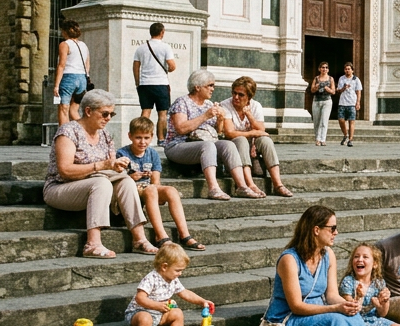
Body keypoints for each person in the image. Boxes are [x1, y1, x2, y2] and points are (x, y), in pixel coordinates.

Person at [43, 89, 152, 258]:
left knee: (126, 182)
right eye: (105, 113)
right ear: (88, 111)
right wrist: (101, 165)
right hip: (60, 188)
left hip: (95, 184)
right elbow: (65, 170)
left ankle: (139, 239)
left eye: (111, 114)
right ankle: (92, 244)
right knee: (101, 183)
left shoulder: (105, 135)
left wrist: (117, 167)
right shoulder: (68, 132)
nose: (108, 118)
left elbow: (110, 166)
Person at [165, 70, 260, 200]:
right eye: (209, 85)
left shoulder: (209, 104)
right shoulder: (182, 102)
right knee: (208, 146)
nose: (212, 89)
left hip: (205, 142)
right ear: (197, 87)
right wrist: (205, 116)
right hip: (178, 145)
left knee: (228, 144)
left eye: (213, 85)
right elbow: (181, 128)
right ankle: (213, 188)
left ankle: (242, 186)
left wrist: (220, 119)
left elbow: (218, 131)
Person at [119, 116, 202, 251]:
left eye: (146, 138)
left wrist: (153, 181)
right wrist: (132, 177)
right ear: (130, 136)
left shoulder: (152, 153)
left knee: (171, 190)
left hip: (149, 188)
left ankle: (184, 234)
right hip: (131, 190)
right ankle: (160, 235)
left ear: (152, 137)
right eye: (138, 137)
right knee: (151, 190)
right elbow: (120, 180)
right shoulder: (122, 153)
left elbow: (156, 180)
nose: (142, 142)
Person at [125, 242, 212, 326]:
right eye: (177, 270)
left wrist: (202, 301)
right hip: (138, 313)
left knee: (177, 313)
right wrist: (156, 305)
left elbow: (185, 293)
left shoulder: (173, 280)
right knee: (145, 318)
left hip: (159, 314)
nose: (180, 273)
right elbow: (140, 298)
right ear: (164, 267)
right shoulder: (151, 278)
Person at [219, 76, 293, 197]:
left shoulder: (255, 106)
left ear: (249, 97)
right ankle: (250, 184)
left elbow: (261, 130)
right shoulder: (225, 105)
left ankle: (278, 184)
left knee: (266, 141)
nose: (236, 97)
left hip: (250, 141)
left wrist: (249, 115)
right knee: (241, 140)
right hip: (233, 144)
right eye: (234, 93)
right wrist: (252, 134)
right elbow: (230, 133)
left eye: (241, 95)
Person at [132, 22, 176, 144]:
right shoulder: (165, 47)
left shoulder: (141, 48)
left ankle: (140, 136)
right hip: (161, 83)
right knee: (162, 113)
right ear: (162, 32)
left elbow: (135, 66)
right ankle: (161, 139)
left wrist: (137, 82)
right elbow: (172, 66)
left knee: (145, 112)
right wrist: (169, 69)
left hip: (145, 84)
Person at [53, 21, 90, 126]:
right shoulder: (84, 45)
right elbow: (87, 65)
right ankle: (84, 131)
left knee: (63, 108)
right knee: (74, 110)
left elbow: (61, 65)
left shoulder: (65, 44)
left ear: (65, 31)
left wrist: (56, 85)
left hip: (68, 77)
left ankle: (64, 137)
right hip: (82, 78)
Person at [334, 62, 362, 147]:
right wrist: (343, 88)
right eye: (346, 69)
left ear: (352, 70)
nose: (347, 70)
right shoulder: (341, 79)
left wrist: (358, 102)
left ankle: (350, 140)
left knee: (351, 121)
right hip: (342, 102)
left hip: (352, 103)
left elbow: (358, 91)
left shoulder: (356, 79)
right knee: (341, 120)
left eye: (349, 69)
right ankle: (345, 134)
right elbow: (338, 90)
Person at [309, 62, 336, 146]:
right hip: (316, 101)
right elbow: (312, 90)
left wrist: (327, 89)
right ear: (319, 69)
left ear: (328, 69)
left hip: (327, 101)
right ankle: (317, 139)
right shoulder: (316, 78)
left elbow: (333, 91)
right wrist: (316, 87)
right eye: (323, 67)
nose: (324, 69)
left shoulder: (330, 79)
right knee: (316, 121)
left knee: (324, 121)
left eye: (326, 67)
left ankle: (323, 139)